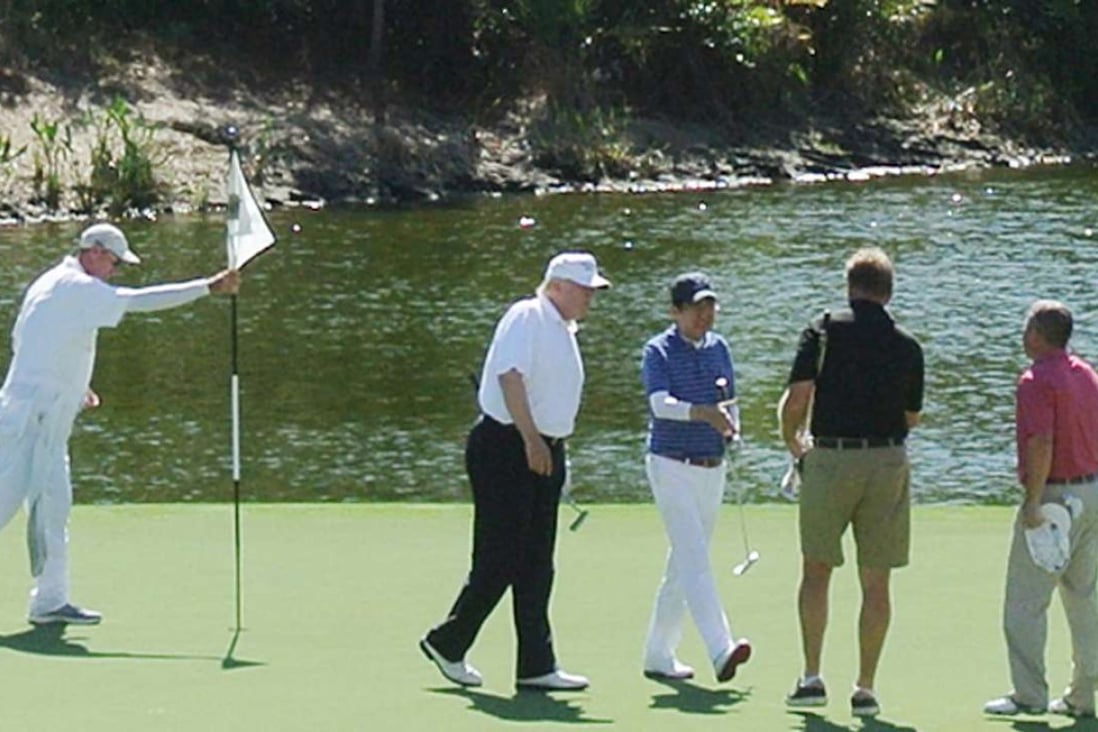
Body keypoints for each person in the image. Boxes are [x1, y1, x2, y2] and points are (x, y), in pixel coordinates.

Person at [0, 222, 240, 626]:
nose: (114, 270)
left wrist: (77, 386)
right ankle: (49, 600)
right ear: (93, 252)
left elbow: (30, 340)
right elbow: (139, 301)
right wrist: (208, 287)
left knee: (55, 509)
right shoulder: (76, 287)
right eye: (112, 261)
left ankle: (49, 602)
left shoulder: (56, 283)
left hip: (50, 418)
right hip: (27, 420)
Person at [420, 250, 610, 692]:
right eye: (584, 290)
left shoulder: (562, 327)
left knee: (537, 563)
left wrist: (551, 445)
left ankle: (536, 665)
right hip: (507, 447)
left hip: (543, 449)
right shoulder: (528, 315)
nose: (589, 299)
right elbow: (510, 378)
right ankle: (448, 642)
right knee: (501, 555)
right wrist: (530, 439)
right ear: (558, 286)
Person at [777, 246, 924, 717]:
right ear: (888, 291)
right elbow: (912, 416)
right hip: (886, 462)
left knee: (816, 570)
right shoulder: (907, 344)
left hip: (832, 457)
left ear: (850, 287)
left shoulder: (822, 330)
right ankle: (865, 688)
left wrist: (792, 443)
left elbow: (798, 398)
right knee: (876, 581)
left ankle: (812, 676)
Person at [984, 300, 1098, 719]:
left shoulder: (1036, 380)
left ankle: (1029, 694)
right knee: (1083, 598)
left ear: (1036, 334)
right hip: (1091, 492)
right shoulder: (1086, 374)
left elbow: (1041, 443)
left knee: (1025, 602)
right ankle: (1083, 696)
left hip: (1054, 498)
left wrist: (1033, 502)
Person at [640, 272, 752, 683]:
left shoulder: (719, 348)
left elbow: (729, 401)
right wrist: (702, 412)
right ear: (676, 311)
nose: (704, 315)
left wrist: (732, 431)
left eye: (710, 307)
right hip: (670, 463)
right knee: (695, 558)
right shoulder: (659, 351)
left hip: (711, 465)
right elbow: (660, 405)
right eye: (695, 308)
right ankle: (720, 648)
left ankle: (658, 653)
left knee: (684, 561)